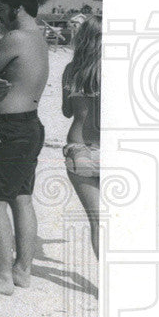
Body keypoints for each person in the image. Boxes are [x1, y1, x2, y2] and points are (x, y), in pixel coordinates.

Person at [0, 0, 50, 294]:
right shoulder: (39, 38)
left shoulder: (14, 38)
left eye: (0, 9)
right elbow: (7, 76)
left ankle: (2, 275)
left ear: (16, 8)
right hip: (30, 126)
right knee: (21, 199)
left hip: (10, 129)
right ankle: (22, 269)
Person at [62, 15, 101, 257]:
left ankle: (104, 284)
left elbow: (66, 111)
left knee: (98, 221)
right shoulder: (112, 68)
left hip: (79, 150)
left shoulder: (70, 70)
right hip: (108, 147)